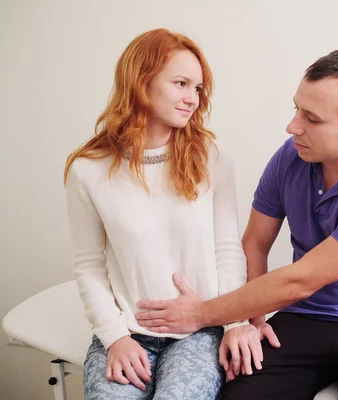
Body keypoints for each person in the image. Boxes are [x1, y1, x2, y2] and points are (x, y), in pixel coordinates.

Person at [136, 49, 338, 399]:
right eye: (296, 109)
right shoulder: (291, 156)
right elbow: (255, 243)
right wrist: (250, 320)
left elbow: (301, 280)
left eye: (312, 118)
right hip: (307, 317)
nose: (293, 126)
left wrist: (202, 314)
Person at [64, 28, 263, 400]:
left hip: (199, 333)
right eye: (181, 83)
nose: (192, 98)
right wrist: (115, 337)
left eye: (198, 88)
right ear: (142, 81)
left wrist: (235, 321)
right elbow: (88, 265)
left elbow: (226, 251)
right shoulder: (88, 169)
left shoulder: (212, 159)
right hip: (126, 333)